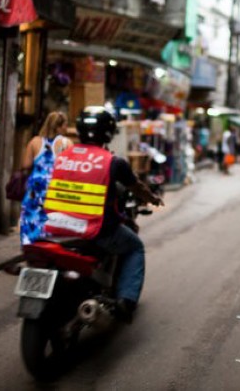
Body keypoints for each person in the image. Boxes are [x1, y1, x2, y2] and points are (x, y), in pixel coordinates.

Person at [42, 106, 163, 323]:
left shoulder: (61, 156)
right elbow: (136, 187)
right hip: (93, 230)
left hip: (52, 226)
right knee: (135, 247)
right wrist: (153, 199)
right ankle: (126, 301)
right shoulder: (113, 162)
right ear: (108, 133)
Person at [19, 111, 73, 246]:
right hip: (56, 191)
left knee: (31, 223)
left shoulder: (35, 142)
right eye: (65, 125)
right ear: (59, 127)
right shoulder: (67, 143)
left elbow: (25, 165)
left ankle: (30, 249)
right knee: (53, 226)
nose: (66, 128)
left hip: (35, 191)